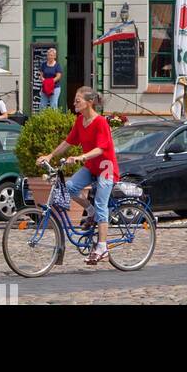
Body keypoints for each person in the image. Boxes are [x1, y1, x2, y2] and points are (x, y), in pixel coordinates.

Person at [37, 86, 117, 267]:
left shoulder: (100, 122)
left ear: (89, 102)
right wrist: (50, 156)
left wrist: (81, 157)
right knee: (70, 187)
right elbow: (68, 142)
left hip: (105, 166)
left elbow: (101, 149)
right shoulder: (80, 121)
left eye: (78, 101)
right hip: (91, 166)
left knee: (101, 204)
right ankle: (90, 211)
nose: (74, 104)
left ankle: (102, 248)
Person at [39, 47, 62, 111]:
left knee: (53, 105)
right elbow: (41, 76)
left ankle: (54, 119)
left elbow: (58, 76)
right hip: (45, 88)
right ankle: (41, 119)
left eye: (51, 55)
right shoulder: (43, 65)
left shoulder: (57, 65)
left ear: (54, 56)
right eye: (48, 55)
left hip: (55, 88)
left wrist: (50, 82)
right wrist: (44, 80)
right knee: (42, 105)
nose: (50, 57)